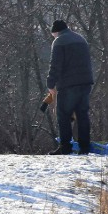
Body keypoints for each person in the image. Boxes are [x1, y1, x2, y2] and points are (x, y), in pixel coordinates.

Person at [46, 19, 94, 155]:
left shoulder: (59, 41)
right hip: (85, 83)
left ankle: (65, 147)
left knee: (63, 115)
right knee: (82, 115)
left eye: (53, 34)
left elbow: (55, 64)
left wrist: (50, 84)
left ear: (55, 32)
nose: (53, 37)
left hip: (68, 85)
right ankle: (85, 147)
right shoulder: (81, 39)